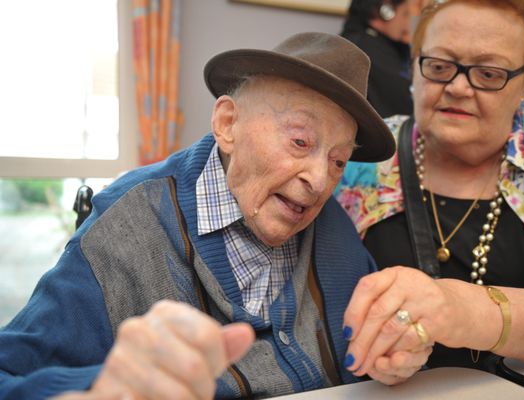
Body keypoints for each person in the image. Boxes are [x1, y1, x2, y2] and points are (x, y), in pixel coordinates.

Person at [0, 32, 412, 399]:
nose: (320, 180)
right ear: (227, 123)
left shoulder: (333, 231)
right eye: (300, 141)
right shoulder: (127, 228)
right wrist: (103, 385)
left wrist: (397, 355)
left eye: (338, 161)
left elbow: (374, 352)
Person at [336, 0, 524, 381]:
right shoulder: (361, 156)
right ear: (413, 64)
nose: (458, 87)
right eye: (440, 67)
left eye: (489, 73)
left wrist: (467, 311)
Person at [340, 0, 414, 117]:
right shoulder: (366, 52)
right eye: (405, 14)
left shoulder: (358, 41)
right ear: (386, 11)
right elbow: (407, 104)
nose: (408, 23)